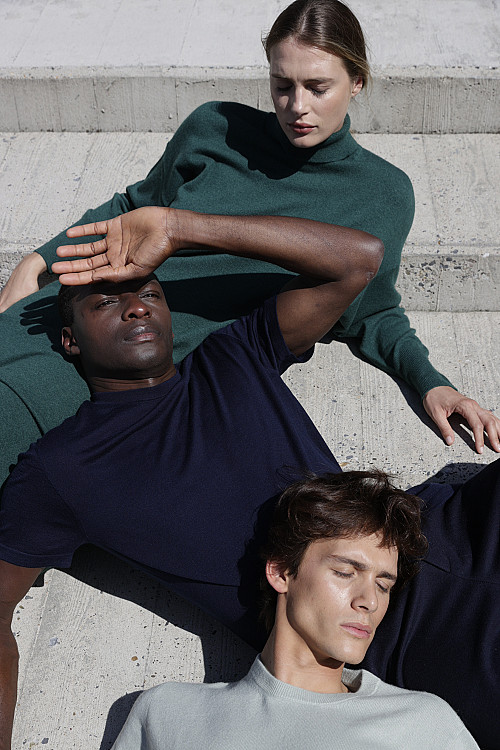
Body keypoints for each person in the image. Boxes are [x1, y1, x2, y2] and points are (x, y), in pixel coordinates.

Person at [2, 207, 499, 749]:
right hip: (408, 635)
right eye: (105, 303)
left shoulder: (230, 356)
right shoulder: (61, 470)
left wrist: (178, 229)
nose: (137, 307)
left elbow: (359, 260)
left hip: (447, 523)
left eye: (149, 294)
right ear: (70, 341)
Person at [0, 0, 498, 490]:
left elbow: (372, 311)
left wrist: (431, 382)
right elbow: (133, 205)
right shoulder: (214, 128)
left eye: (318, 87)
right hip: (80, 308)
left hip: (146, 367)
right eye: (282, 85)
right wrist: (37, 261)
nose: (297, 106)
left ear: (357, 82)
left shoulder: (381, 193)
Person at [110, 471, 478, 750]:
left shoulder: (423, 726)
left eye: (384, 585)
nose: (369, 600)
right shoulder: (170, 713)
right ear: (282, 572)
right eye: (346, 572)